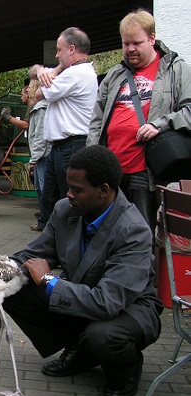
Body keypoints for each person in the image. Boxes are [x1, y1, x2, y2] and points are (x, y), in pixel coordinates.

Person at [0, 145, 163, 396]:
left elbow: (108, 302)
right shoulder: (66, 210)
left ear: (103, 191)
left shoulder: (133, 230)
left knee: (103, 335)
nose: (69, 194)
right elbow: (28, 256)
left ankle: (126, 369)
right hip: (84, 297)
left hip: (127, 309)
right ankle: (80, 348)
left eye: (77, 190)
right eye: (68, 186)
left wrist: (47, 280)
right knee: (10, 287)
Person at [87, 8, 191, 230]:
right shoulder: (115, 74)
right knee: (106, 232)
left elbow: (189, 111)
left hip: (144, 171)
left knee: (139, 233)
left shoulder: (176, 69)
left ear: (152, 39)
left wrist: (159, 125)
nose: (130, 49)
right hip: (111, 170)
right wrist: (93, 159)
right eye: (126, 44)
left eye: (136, 43)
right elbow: (97, 120)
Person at [29, 27, 97, 229]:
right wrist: (43, 71)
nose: (57, 55)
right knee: (50, 199)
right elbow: (33, 71)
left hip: (71, 147)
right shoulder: (72, 71)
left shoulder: (76, 74)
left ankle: (68, 251)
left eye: (59, 50)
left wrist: (53, 71)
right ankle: (54, 245)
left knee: (68, 201)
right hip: (60, 147)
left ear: (72, 49)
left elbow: (38, 94)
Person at [27, 79, 50, 231]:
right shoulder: (40, 108)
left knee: (43, 189)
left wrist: (33, 159)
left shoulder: (41, 108)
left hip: (43, 156)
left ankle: (45, 222)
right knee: (41, 188)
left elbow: (40, 135)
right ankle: (44, 218)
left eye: (29, 87)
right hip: (43, 155)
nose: (28, 90)